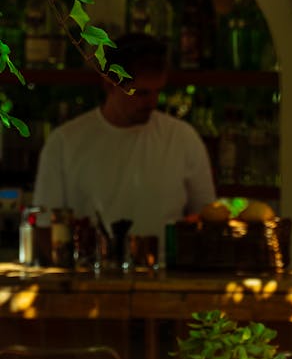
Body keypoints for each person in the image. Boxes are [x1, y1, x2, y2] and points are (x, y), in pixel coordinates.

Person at [33, 33, 216, 256]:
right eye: (141, 93)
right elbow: (44, 229)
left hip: (165, 280)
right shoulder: (65, 142)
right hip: (88, 282)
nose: (152, 102)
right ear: (109, 83)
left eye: (158, 91)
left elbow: (208, 219)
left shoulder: (183, 138)